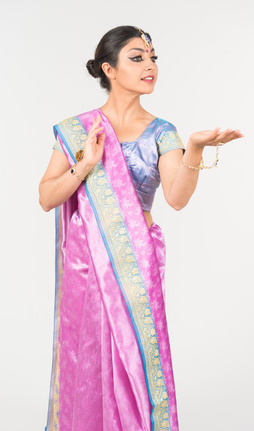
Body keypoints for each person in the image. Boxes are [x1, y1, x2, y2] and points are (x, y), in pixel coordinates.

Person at [39, 25, 243, 431]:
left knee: (137, 357)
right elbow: (47, 197)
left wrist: (196, 148)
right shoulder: (79, 129)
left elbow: (177, 198)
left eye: (152, 57)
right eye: (137, 57)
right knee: (87, 358)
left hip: (136, 266)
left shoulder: (162, 131)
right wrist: (87, 164)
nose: (150, 66)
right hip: (85, 268)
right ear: (108, 69)